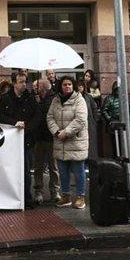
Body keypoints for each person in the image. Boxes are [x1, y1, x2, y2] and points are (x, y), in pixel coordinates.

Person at [0, 72, 39, 208]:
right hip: (10, 140)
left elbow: (37, 117)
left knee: (26, 171)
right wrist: (14, 123)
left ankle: (26, 197)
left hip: (26, 140)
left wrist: (27, 128)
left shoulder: (30, 98)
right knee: (10, 170)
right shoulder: (5, 99)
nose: (23, 85)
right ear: (14, 83)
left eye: (25, 82)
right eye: (20, 82)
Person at [46, 76, 88, 209]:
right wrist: (57, 131)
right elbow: (50, 117)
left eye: (70, 84)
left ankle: (81, 197)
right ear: (61, 86)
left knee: (78, 171)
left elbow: (81, 120)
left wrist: (66, 132)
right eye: (65, 84)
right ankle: (66, 196)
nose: (67, 86)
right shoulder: (55, 100)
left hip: (75, 142)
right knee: (63, 172)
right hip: (60, 142)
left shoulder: (79, 100)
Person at [31, 78, 60, 204]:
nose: (34, 89)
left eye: (36, 87)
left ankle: (55, 191)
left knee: (54, 166)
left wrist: (40, 104)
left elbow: (51, 115)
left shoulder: (54, 99)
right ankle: (38, 190)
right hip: (38, 137)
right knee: (38, 166)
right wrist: (37, 103)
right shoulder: (35, 99)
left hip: (51, 137)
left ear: (42, 88)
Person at [101, 81, 130, 157]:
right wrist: (110, 120)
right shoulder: (109, 99)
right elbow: (104, 110)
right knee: (115, 144)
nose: (118, 91)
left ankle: (126, 159)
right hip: (114, 125)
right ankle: (117, 159)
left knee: (126, 144)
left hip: (125, 124)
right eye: (116, 90)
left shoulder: (125, 98)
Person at [76, 79, 100, 162]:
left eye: (82, 86)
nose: (80, 88)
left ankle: (90, 162)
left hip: (89, 124)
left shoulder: (88, 97)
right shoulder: (73, 97)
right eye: (79, 86)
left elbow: (94, 109)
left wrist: (94, 121)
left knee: (90, 145)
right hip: (78, 125)